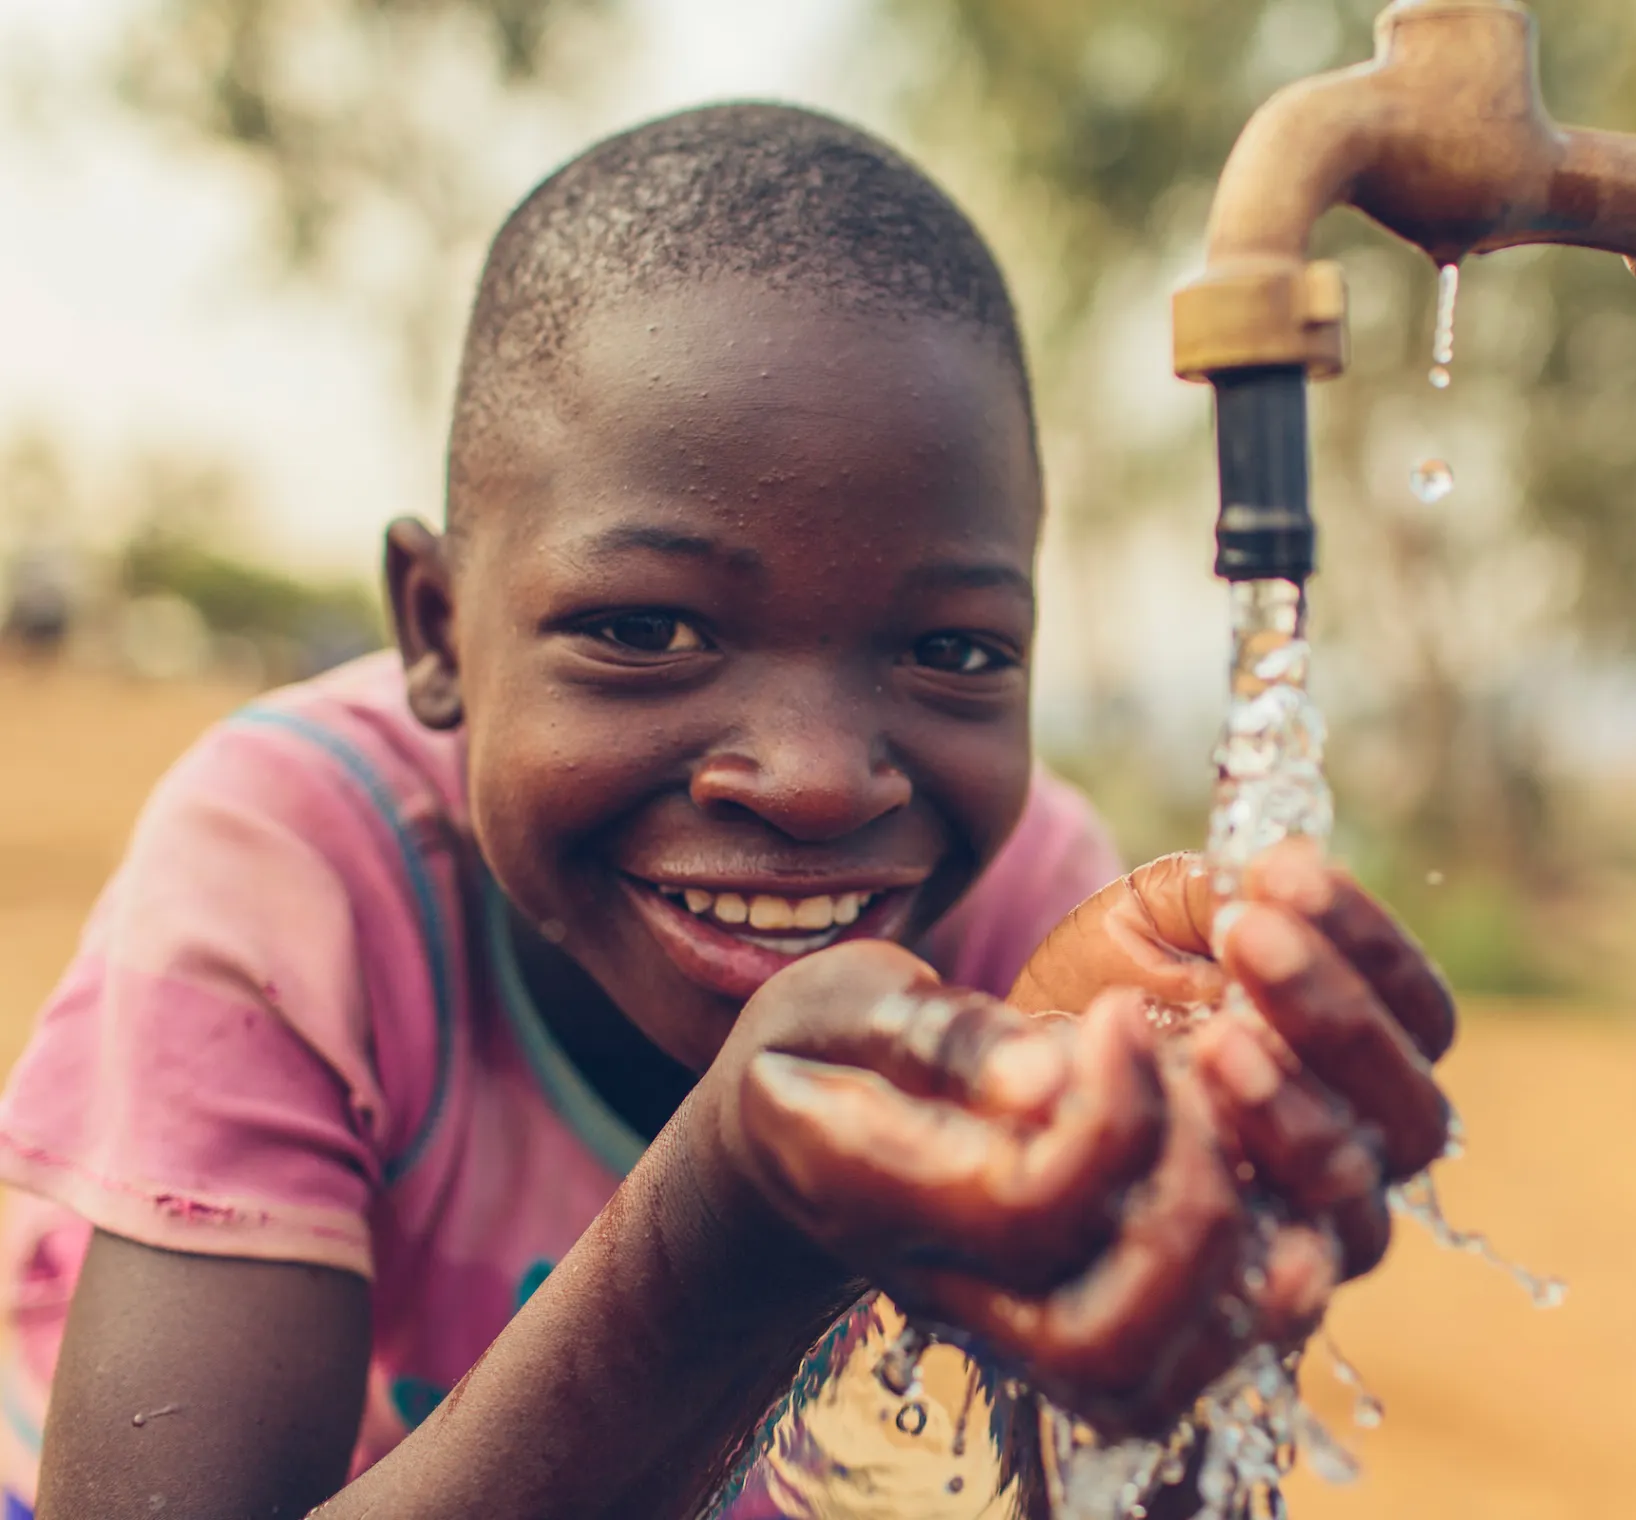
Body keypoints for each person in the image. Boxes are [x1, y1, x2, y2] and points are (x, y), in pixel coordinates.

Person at [0, 106, 1456, 1519]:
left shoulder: (1038, 943)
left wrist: (1171, 1243)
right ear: (440, 631)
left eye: (953, 651)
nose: (821, 778)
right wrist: (726, 1231)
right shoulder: (297, 863)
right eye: (645, 630)